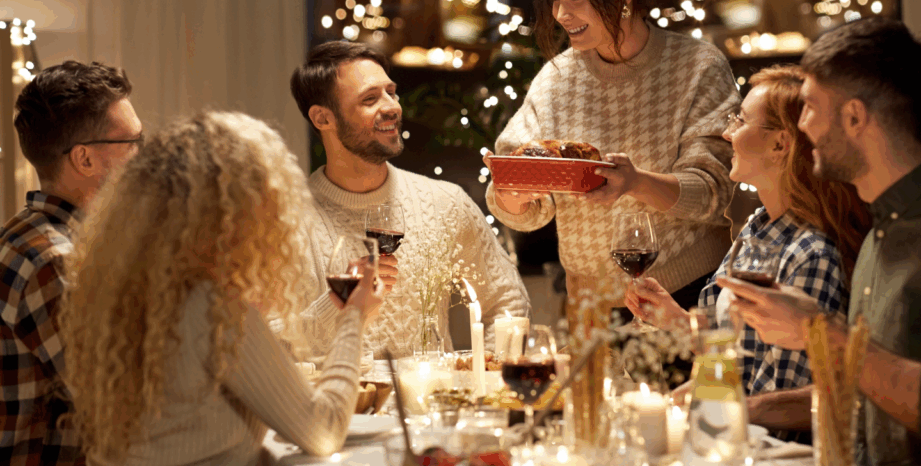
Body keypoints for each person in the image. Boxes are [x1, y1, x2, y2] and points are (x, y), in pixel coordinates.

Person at [720, 17, 921, 465]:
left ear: (855, 117)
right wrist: (740, 409)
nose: (802, 128)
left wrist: (819, 333)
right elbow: (867, 388)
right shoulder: (881, 228)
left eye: (809, 108)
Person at [58, 111, 380, 465]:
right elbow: (322, 431)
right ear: (234, 212)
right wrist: (354, 317)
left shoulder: (128, 294)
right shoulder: (209, 305)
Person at [484, 0, 739, 314]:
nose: (562, 14)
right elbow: (521, 205)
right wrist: (515, 190)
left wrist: (635, 182)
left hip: (687, 297)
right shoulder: (557, 79)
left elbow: (716, 194)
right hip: (591, 308)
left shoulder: (696, 66)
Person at [624, 65, 871, 441]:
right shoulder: (756, 229)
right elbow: (739, 350)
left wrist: (708, 408)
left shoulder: (810, 253)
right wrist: (674, 319)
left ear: (780, 144)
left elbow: (778, 404)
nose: (727, 132)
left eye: (739, 120)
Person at [289, 40, 529, 358]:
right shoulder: (284, 220)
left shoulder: (445, 203)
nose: (392, 107)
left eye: (391, 92)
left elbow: (508, 302)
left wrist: (483, 381)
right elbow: (265, 343)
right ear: (323, 119)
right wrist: (336, 304)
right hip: (341, 407)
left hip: (433, 407)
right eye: (370, 99)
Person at [1, 61, 142, 466]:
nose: (143, 157)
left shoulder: (29, 235)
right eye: (133, 142)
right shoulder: (56, 262)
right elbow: (131, 404)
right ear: (84, 159)